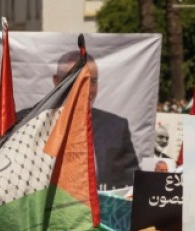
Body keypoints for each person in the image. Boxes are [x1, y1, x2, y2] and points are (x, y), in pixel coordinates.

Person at [49, 51, 137, 189]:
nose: (87, 90)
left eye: (93, 81)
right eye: (78, 81)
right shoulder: (29, 124)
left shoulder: (116, 128)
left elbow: (130, 186)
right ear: (57, 81)